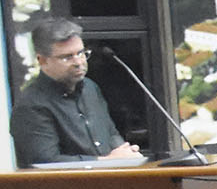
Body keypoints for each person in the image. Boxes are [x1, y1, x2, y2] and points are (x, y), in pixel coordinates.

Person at [11, 16, 137, 167]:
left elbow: (110, 134)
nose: (78, 62)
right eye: (67, 57)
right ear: (42, 60)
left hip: (107, 184)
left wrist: (126, 153)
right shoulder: (31, 105)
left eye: (81, 53)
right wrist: (107, 161)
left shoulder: (90, 88)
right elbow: (45, 163)